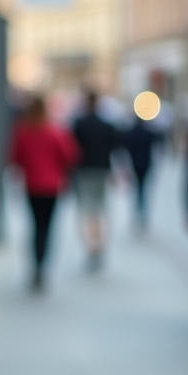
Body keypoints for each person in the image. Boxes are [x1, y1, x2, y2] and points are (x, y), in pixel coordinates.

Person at [9, 94, 80, 290]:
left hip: (32, 186)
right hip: (52, 187)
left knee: (35, 226)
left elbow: (14, 157)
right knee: (47, 228)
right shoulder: (54, 131)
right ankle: (42, 267)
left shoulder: (23, 131)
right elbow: (70, 155)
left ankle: (36, 266)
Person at [71, 90, 119, 269]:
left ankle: (93, 247)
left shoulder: (79, 124)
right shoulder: (106, 125)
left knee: (88, 211)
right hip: (102, 171)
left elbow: (72, 151)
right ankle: (98, 246)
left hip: (84, 172)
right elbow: (115, 147)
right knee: (100, 210)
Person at [121, 113, 161, 231]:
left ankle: (137, 213)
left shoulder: (131, 132)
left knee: (137, 190)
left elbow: (126, 149)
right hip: (146, 164)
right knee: (143, 189)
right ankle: (142, 214)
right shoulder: (148, 132)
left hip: (135, 164)